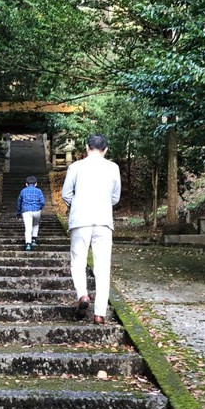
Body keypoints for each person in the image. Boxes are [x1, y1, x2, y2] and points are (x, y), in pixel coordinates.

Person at [61, 133, 121, 324]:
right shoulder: (113, 167)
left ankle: (83, 295)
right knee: (102, 266)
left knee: (78, 261)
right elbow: (115, 197)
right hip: (103, 220)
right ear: (106, 150)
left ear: (87, 148)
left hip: (80, 220)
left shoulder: (76, 166)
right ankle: (100, 314)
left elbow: (66, 194)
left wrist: (77, 205)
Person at [16, 175, 46, 252]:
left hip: (26, 211)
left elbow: (19, 202)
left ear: (26, 184)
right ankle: (34, 240)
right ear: (36, 184)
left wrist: (18, 212)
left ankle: (28, 244)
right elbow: (42, 202)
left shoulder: (23, 191)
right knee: (36, 224)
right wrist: (39, 208)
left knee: (28, 227)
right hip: (36, 211)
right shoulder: (39, 191)